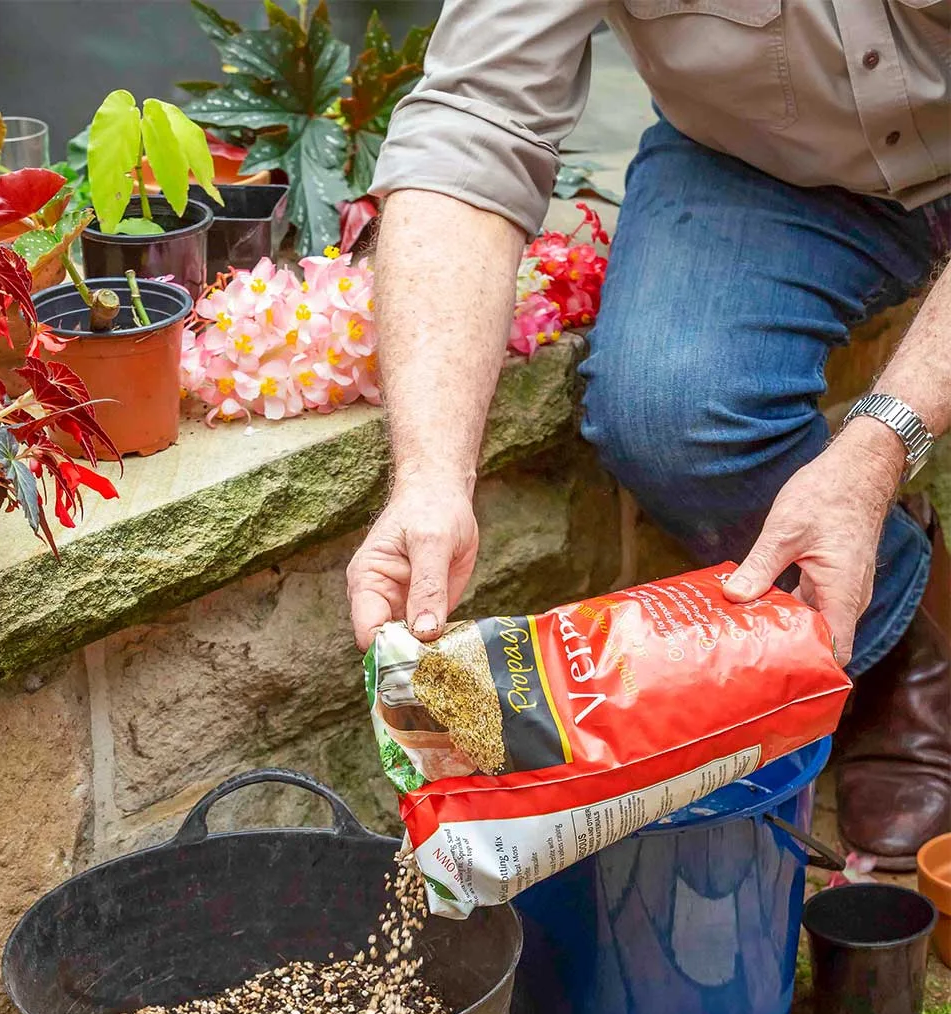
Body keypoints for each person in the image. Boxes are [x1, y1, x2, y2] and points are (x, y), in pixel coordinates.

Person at [345, 0, 950, 869]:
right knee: (669, 413)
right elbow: (475, 120)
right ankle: (904, 625)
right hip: (766, 162)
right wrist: (433, 479)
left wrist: (877, 446)